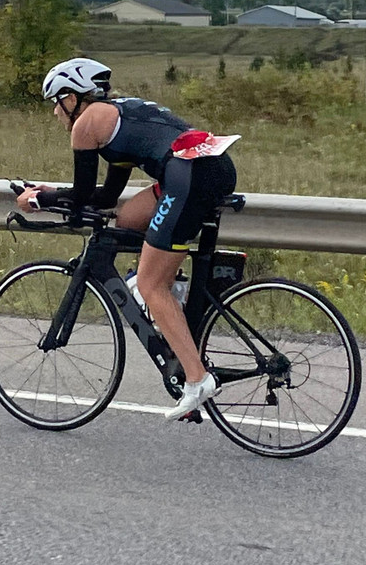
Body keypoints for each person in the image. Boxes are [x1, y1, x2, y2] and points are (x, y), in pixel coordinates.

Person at [16, 57, 238, 421]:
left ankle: (197, 379)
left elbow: (82, 190)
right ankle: (171, 293)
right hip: (208, 167)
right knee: (128, 217)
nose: (56, 112)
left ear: (73, 99)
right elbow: (101, 197)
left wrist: (40, 199)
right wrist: (54, 191)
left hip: (189, 177)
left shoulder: (86, 124)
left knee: (151, 285)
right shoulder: (115, 117)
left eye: (57, 101)